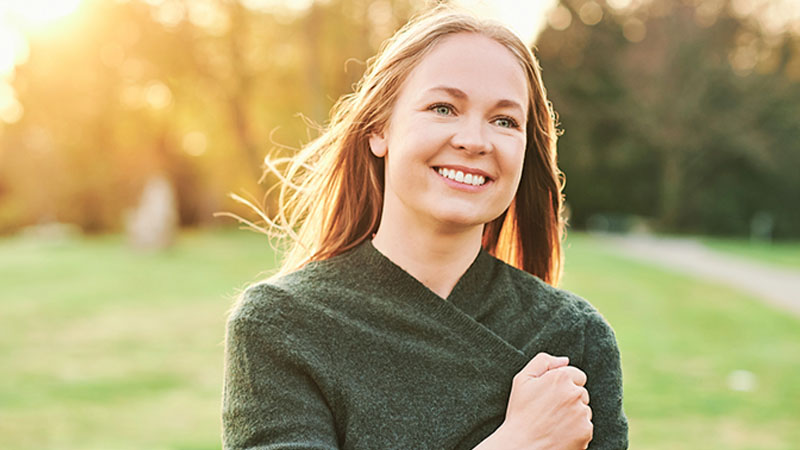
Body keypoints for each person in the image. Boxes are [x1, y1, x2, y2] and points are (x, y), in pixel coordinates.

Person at [222, 5, 628, 450]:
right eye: (443, 108)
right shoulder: (282, 324)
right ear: (380, 129)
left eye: (505, 120)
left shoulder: (576, 336)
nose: (474, 140)